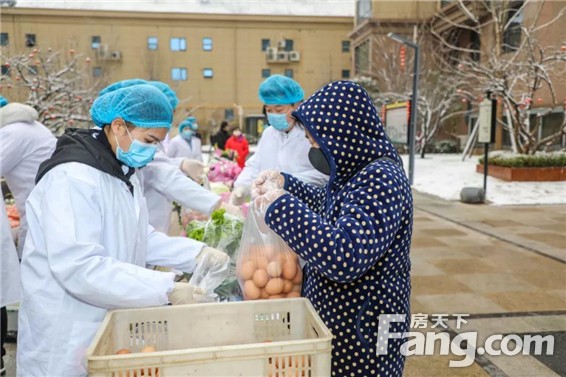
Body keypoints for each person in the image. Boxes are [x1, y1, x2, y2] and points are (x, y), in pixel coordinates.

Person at [16, 84, 230, 376]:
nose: (153, 151)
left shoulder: (120, 171)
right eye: (149, 140)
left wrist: (197, 254)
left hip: (103, 318)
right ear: (118, 126)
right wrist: (166, 288)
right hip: (65, 328)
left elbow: (137, 236)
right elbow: (79, 266)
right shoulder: (73, 178)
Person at [252, 81, 413, 377]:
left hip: (365, 330)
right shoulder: (353, 171)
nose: (314, 150)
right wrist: (287, 184)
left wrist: (279, 207)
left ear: (344, 136)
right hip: (340, 321)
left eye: (317, 144)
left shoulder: (381, 178)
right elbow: (329, 205)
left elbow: (345, 255)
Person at [98, 79, 241, 233]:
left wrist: (181, 164)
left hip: (149, 227)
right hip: (147, 223)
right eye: (149, 140)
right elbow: (162, 173)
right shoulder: (86, 169)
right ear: (118, 125)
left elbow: (159, 164)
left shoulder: (125, 147)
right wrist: (216, 205)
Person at [230, 74, 328, 205]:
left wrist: (284, 182)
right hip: (268, 207)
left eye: (279, 109)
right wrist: (242, 186)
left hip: (304, 206)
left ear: (297, 106)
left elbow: (324, 175)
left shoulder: (311, 135)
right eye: (269, 110)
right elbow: (255, 165)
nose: (273, 114)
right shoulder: (268, 134)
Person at [0, 98, 57, 257]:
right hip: (49, 204)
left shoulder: (10, 133)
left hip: (37, 209)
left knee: (32, 264)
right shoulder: (33, 126)